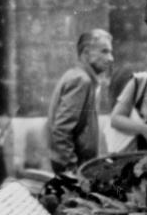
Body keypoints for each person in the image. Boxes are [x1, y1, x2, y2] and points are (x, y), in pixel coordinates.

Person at [46, 29, 113, 174]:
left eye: (110, 52)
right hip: (76, 171)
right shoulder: (81, 80)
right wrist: (72, 171)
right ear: (86, 53)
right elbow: (61, 131)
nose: (111, 58)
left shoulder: (81, 78)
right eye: (104, 51)